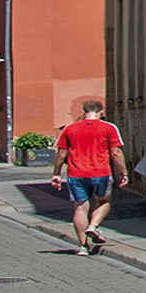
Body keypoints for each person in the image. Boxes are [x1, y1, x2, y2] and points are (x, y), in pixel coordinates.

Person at [53, 97, 125, 255]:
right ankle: (93, 226)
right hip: (101, 173)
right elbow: (116, 152)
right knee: (103, 201)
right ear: (101, 112)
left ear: (84, 112)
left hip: (76, 173)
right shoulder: (109, 128)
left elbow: (61, 154)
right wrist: (123, 172)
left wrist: (56, 174)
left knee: (80, 207)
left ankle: (83, 246)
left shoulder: (69, 129)